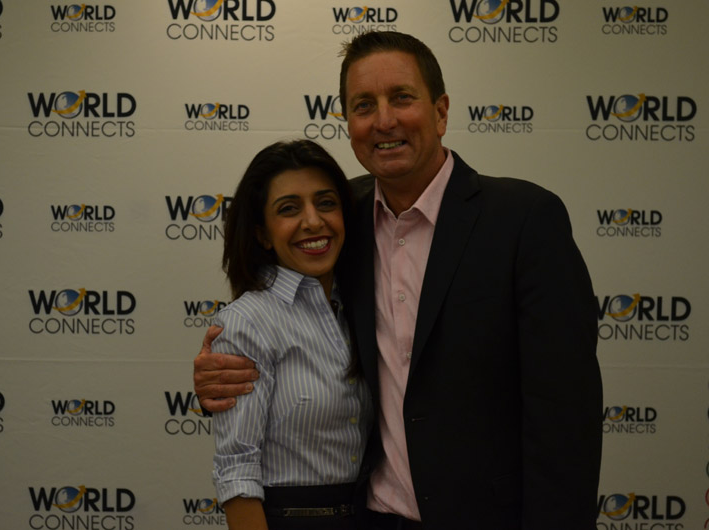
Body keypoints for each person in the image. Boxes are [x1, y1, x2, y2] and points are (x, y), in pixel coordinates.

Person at [195, 31, 603, 529]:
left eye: (402, 98)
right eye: (364, 105)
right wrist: (223, 377)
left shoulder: (524, 220)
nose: (383, 120)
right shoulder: (337, 219)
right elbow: (277, 316)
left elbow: (564, 412)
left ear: (441, 111)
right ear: (349, 123)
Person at [209, 139, 373, 530]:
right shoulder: (247, 322)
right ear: (262, 234)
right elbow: (237, 470)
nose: (313, 221)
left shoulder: (361, 310)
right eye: (289, 209)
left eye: (326, 203)